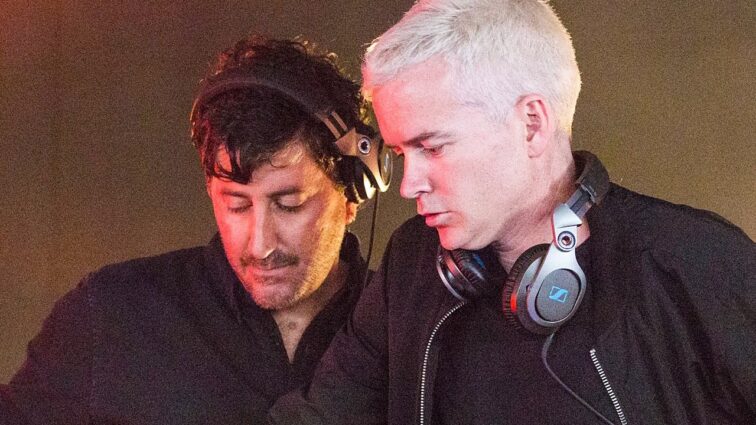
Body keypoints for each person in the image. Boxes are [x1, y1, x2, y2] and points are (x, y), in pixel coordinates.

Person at [268, 1, 756, 424]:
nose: (409, 184)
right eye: (400, 153)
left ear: (532, 124)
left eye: (432, 148)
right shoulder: (413, 263)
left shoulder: (698, 265)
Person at [0, 35, 390, 424]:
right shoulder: (110, 312)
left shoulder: (408, 332)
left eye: (288, 205)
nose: (260, 245)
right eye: (236, 205)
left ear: (353, 191)